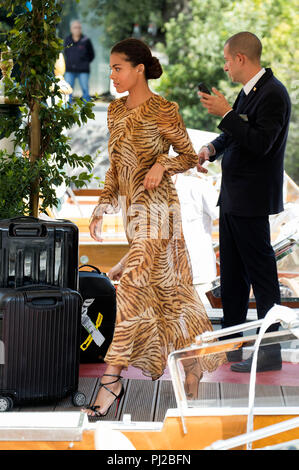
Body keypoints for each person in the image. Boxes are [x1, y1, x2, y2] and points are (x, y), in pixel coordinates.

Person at [83, 38, 226, 417]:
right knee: (169, 296)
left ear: (139, 69)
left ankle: (111, 382)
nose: (112, 75)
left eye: (118, 68)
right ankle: (194, 362)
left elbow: (188, 155)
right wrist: (101, 208)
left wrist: (162, 163)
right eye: (111, 68)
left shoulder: (163, 109)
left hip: (161, 213)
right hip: (134, 216)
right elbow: (116, 167)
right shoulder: (114, 111)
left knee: (129, 286)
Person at [197, 32, 291, 372]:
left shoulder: (273, 94)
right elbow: (234, 134)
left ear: (240, 58)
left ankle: (269, 352)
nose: (224, 67)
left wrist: (225, 113)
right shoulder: (249, 91)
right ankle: (231, 346)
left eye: (226, 60)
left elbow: (260, 143)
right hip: (234, 197)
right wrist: (211, 149)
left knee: (262, 276)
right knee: (233, 276)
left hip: (252, 198)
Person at [173, 171, 218, 287]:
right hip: (165, 280)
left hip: (199, 277)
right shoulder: (150, 192)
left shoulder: (199, 185)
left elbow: (223, 217)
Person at [63, 20, 95, 104]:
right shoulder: (67, 40)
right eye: (75, 27)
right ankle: (67, 108)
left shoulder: (86, 40)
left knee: (85, 90)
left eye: (79, 27)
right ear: (71, 29)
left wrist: (84, 63)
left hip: (83, 70)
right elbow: (65, 52)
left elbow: (92, 55)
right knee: (67, 90)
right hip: (69, 70)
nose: (77, 29)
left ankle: (86, 109)